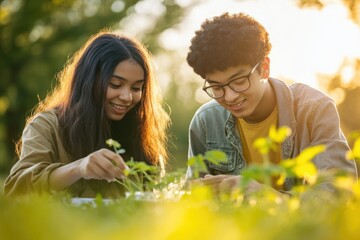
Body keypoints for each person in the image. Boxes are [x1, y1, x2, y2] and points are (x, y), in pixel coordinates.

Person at [186, 12, 357, 196]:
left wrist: (267, 197)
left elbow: (340, 194)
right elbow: (193, 201)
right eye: (216, 87)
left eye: (239, 81)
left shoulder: (314, 110)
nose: (229, 96)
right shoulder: (205, 122)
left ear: (265, 68)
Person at [4, 31, 170, 198]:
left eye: (136, 88)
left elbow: (153, 200)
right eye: (115, 84)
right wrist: (79, 168)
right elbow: (17, 189)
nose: (127, 97)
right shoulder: (47, 126)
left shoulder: (140, 132)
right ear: (89, 81)